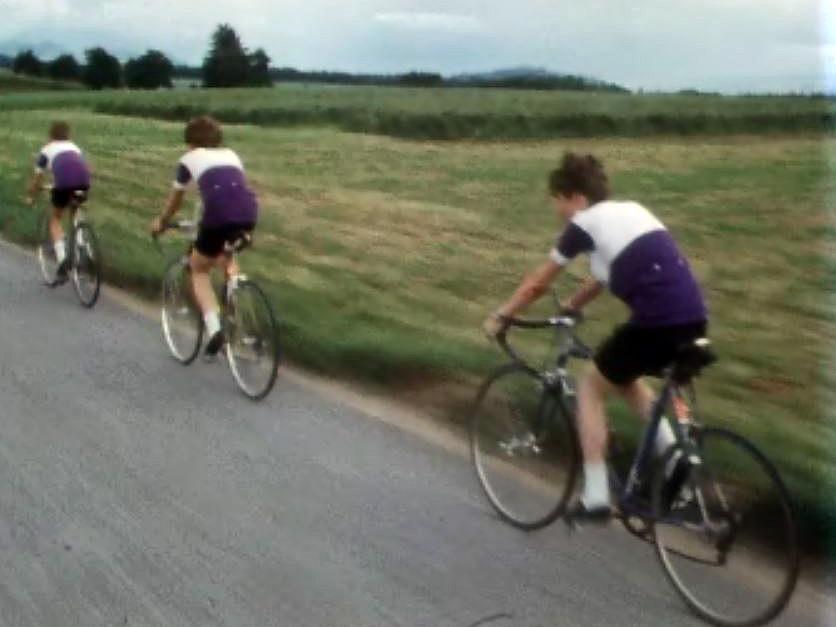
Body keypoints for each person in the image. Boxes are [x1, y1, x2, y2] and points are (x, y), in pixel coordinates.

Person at [484, 152, 708, 520]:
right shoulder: (629, 212)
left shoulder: (583, 224)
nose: (558, 211)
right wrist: (572, 304)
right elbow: (603, 277)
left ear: (575, 197)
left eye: (558, 201)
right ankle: (675, 459)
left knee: (590, 386)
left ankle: (596, 495)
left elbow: (538, 283)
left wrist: (502, 316)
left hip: (656, 321)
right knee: (624, 377)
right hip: (694, 317)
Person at [150, 115, 258, 357]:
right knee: (226, 256)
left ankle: (215, 329)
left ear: (190, 142)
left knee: (198, 269)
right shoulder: (231, 155)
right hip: (248, 213)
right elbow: (233, 191)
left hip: (217, 216)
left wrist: (162, 222)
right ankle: (240, 310)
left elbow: (175, 200)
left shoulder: (188, 159)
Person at [26, 121, 91, 282]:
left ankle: (63, 261)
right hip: (83, 182)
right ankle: (83, 246)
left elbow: (37, 178)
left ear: (51, 135)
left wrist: (31, 196)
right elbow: (84, 167)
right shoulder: (75, 147)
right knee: (75, 209)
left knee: (55, 219)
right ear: (68, 135)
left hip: (63, 185)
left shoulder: (46, 150)